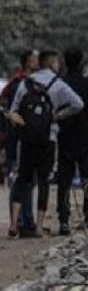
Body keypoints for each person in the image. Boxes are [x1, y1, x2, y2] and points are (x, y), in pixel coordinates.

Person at [8, 50, 84, 238]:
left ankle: (13, 224)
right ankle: (40, 227)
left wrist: (21, 122)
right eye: (56, 63)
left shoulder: (25, 83)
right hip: (48, 138)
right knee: (43, 182)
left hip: (26, 139)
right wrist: (57, 116)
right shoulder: (58, 84)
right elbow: (78, 104)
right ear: (51, 64)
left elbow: (13, 111)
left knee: (22, 179)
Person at [0, 50, 41, 232]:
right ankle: (22, 221)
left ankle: (27, 219)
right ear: (27, 62)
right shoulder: (20, 83)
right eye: (34, 59)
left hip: (27, 136)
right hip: (19, 138)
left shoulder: (29, 82)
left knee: (28, 180)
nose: (37, 61)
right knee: (21, 179)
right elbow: (15, 112)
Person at [56, 49, 88, 236]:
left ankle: (63, 220)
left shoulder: (60, 84)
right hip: (85, 137)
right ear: (81, 63)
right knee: (86, 177)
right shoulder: (86, 84)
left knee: (64, 180)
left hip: (64, 136)